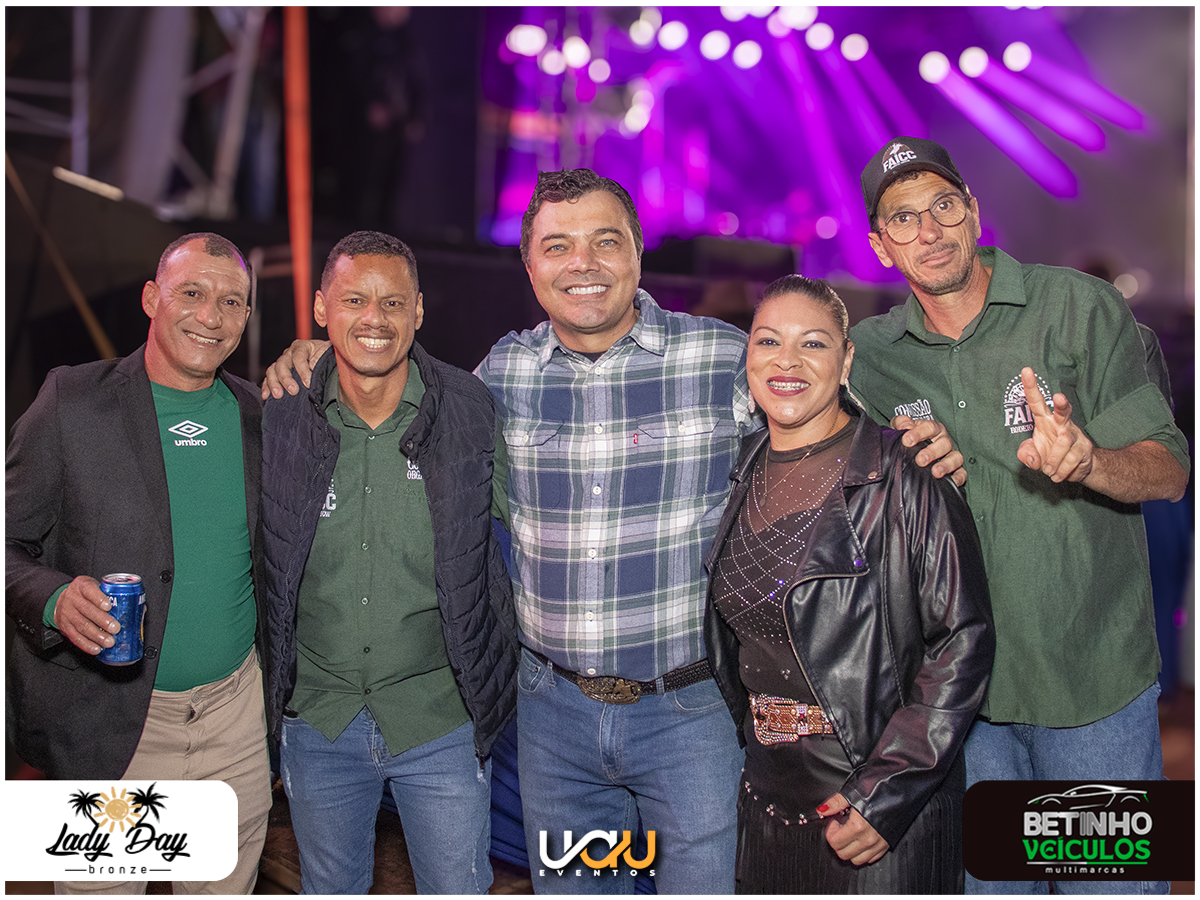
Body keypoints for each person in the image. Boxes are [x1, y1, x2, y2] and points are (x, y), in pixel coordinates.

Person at [261, 170, 964, 894]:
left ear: (636, 253)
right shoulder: (498, 376)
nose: (583, 263)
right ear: (529, 266)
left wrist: (918, 439)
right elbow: (389, 388)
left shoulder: (723, 358)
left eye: (605, 241)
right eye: (557, 246)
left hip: (689, 716)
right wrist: (316, 357)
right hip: (554, 722)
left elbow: (832, 416)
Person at [850, 136, 1191, 894]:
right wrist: (896, 470)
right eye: (903, 218)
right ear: (879, 245)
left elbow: (1170, 470)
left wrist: (1089, 460)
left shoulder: (1078, 306)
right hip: (960, 705)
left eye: (943, 206)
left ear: (973, 212)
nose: (929, 231)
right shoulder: (871, 357)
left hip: (1093, 686)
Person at [704, 275, 994, 893]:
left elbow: (962, 640)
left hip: (873, 807)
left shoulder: (906, 472)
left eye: (812, 343)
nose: (786, 361)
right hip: (765, 802)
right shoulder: (743, 468)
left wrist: (886, 792)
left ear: (846, 359)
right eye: (768, 341)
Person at [6, 233, 271, 895]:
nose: (210, 315)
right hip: (114, 727)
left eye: (231, 301)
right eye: (192, 293)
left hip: (235, 726)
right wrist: (52, 599)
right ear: (152, 298)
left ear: (246, 316)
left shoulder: (261, 416)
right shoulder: (72, 402)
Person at [258, 231, 517, 894]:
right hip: (319, 719)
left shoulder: (469, 410)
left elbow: (532, 528)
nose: (374, 317)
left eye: (393, 302)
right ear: (321, 308)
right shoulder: (277, 415)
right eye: (354, 300)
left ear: (419, 311)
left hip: (440, 719)